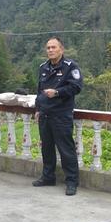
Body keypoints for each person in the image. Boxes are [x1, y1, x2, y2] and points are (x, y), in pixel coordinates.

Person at [32, 36, 83, 196]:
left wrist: (57, 92)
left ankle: (72, 182)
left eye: (53, 47)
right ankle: (48, 177)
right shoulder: (43, 67)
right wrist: (38, 108)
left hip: (61, 115)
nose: (50, 50)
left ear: (61, 49)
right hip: (45, 115)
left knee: (66, 150)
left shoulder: (70, 66)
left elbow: (76, 87)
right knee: (46, 148)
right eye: (48, 48)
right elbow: (39, 90)